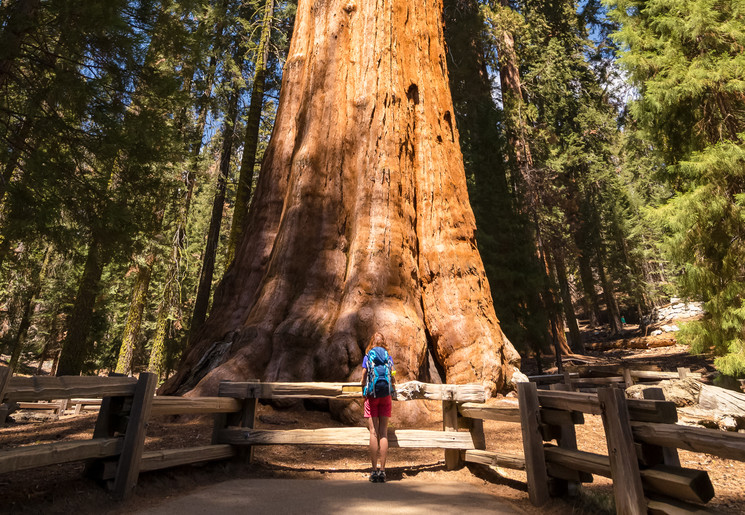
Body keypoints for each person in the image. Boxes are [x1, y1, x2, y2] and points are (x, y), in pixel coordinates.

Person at [360, 332, 395, 483]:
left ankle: (374, 471)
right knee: (383, 433)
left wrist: (363, 388)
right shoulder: (388, 356)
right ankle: (383, 471)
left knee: (373, 432)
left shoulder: (368, 357)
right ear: (384, 342)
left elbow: (363, 376)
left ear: (372, 343)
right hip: (386, 397)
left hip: (372, 397)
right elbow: (392, 375)